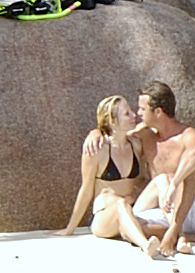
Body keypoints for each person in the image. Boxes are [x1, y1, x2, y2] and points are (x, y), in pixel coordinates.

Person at [90, 81, 195, 258]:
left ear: (158, 111)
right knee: (129, 227)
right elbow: (115, 134)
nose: (138, 113)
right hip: (166, 208)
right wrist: (96, 133)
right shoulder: (145, 135)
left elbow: (194, 154)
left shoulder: (188, 134)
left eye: (143, 109)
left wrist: (174, 183)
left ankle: (175, 231)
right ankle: (193, 237)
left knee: (186, 171)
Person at [62, 95, 147, 233]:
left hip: (132, 209)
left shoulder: (135, 145)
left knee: (163, 182)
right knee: (121, 204)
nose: (134, 115)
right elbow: (86, 189)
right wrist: (70, 228)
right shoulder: (97, 150)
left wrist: (95, 131)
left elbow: (152, 124)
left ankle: (182, 236)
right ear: (113, 121)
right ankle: (145, 245)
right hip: (106, 215)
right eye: (127, 114)